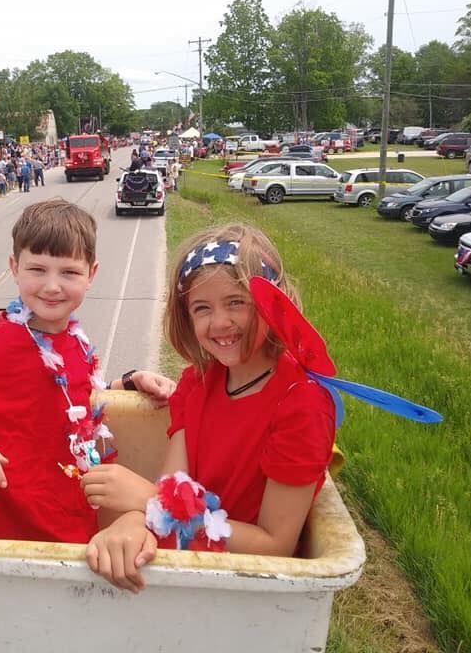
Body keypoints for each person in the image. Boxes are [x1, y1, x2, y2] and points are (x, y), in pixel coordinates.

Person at [81, 224, 337, 593]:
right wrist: (133, 523)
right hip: (179, 564)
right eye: (202, 308)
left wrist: (149, 501)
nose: (220, 322)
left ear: (273, 305)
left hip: (244, 587)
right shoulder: (198, 381)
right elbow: (175, 485)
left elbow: (274, 544)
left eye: (237, 302)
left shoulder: (302, 404)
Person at [0, 199, 176, 544]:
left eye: (69, 272)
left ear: (91, 274)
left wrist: (125, 383)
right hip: (26, 544)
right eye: (37, 270)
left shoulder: (72, 338)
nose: (52, 286)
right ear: (14, 267)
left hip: (77, 524)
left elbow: (64, 396)